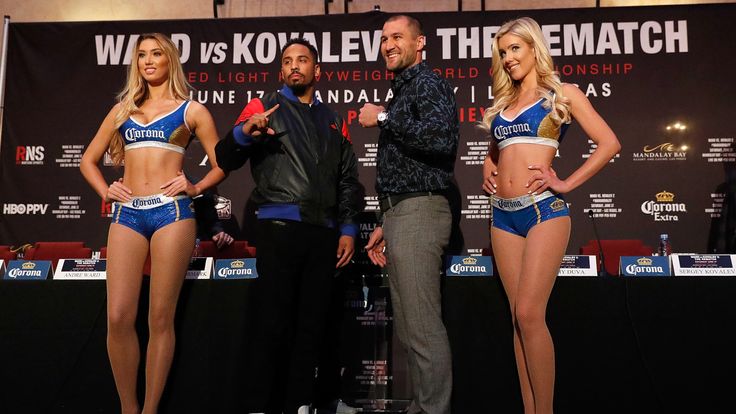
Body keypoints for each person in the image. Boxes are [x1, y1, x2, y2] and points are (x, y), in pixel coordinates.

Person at [480, 17, 621, 414]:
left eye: (515, 49)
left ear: (533, 48)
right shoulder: (505, 104)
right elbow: (497, 153)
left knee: (529, 312)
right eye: (503, 52)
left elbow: (610, 142)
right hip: (502, 216)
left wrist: (567, 182)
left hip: (544, 211)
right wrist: (486, 167)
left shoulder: (562, 94)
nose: (508, 59)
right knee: (516, 319)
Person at [214, 38, 363, 414]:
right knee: (273, 324)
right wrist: (245, 132)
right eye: (287, 61)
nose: (294, 66)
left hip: (324, 233)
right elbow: (224, 156)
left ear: (318, 70)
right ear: (280, 72)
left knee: (313, 326)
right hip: (279, 227)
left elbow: (347, 179)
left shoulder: (333, 119)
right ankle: (263, 404)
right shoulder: (262, 107)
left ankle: (300, 404)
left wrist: (346, 228)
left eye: (302, 60)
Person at [79, 33, 224, 414]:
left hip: (172, 213)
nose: (147, 60)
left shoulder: (192, 110)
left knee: (160, 318)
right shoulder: (123, 109)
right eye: (141, 55)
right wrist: (106, 191)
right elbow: (87, 160)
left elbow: (222, 161)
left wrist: (195, 186)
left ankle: (151, 410)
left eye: (156, 53)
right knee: (118, 316)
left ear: (169, 60)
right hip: (128, 213)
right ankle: (129, 408)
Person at [358, 14, 458, 414]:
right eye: (384, 39)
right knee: (411, 326)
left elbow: (441, 139)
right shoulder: (403, 89)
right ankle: (422, 405)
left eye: (398, 37)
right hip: (402, 213)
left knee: (423, 325)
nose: (388, 44)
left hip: (421, 211)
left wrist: (382, 117)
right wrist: (387, 220)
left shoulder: (427, 82)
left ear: (420, 44)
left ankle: (434, 410)